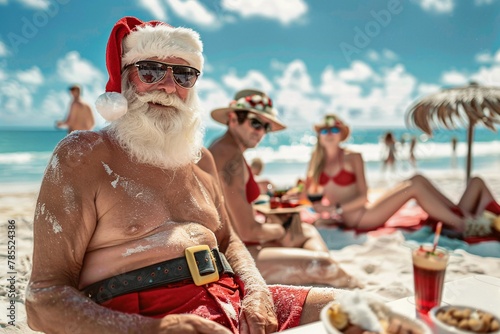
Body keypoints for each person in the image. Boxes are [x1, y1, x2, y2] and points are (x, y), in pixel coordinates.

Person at [26, 17, 344, 334]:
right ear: (124, 79)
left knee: (364, 313)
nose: (167, 86)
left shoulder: (200, 160)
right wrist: (155, 329)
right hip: (140, 317)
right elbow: (42, 299)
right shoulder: (84, 156)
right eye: (150, 71)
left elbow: (228, 239)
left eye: (183, 75)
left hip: (233, 300)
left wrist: (257, 291)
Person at [208, 89, 358, 288]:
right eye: (255, 123)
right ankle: (349, 288)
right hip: (231, 256)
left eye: (266, 127)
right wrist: (281, 229)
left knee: (305, 230)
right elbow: (248, 231)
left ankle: (321, 282)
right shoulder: (231, 157)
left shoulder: (224, 149)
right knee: (324, 265)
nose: (260, 132)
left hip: (233, 246)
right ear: (233, 118)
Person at [304, 114, 500, 237]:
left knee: (417, 179)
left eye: (335, 129)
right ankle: (464, 223)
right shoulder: (316, 160)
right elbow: (308, 195)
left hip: (365, 214)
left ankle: (462, 218)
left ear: (341, 134)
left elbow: (363, 196)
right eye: (325, 130)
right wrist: (321, 208)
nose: (329, 133)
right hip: (358, 219)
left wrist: (335, 209)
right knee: (414, 187)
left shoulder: (353, 157)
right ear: (319, 134)